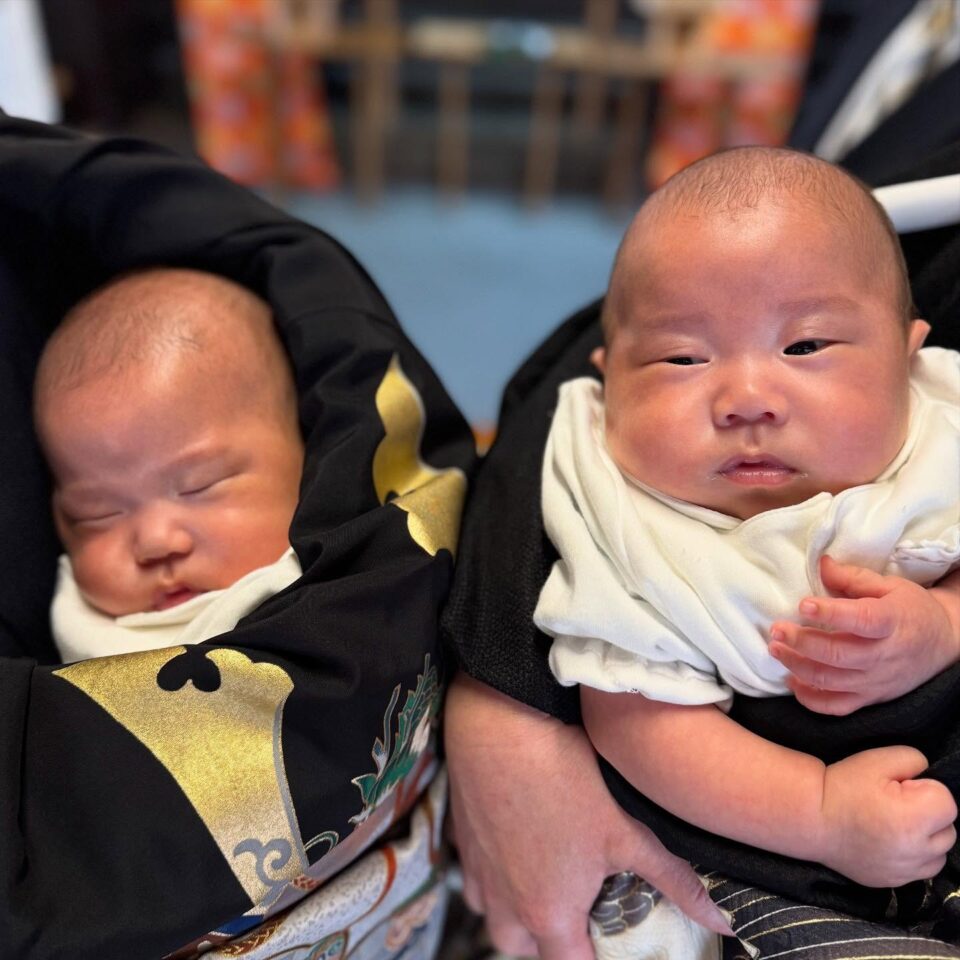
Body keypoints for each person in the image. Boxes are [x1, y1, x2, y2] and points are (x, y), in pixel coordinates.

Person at [531, 146, 959, 955]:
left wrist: (942, 623)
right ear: (608, 380)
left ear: (909, 356)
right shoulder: (630, 517)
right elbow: (634, 716)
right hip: (749, 848)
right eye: (682, 359)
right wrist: (821, 812)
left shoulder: (943, 431)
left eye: (805, 347)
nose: (748, 401)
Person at [33, 268, 305, 663]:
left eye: (201, 485)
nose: (156, 541)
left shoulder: (359, 574)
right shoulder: (65, 650)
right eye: (98, 514)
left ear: (304, 455)